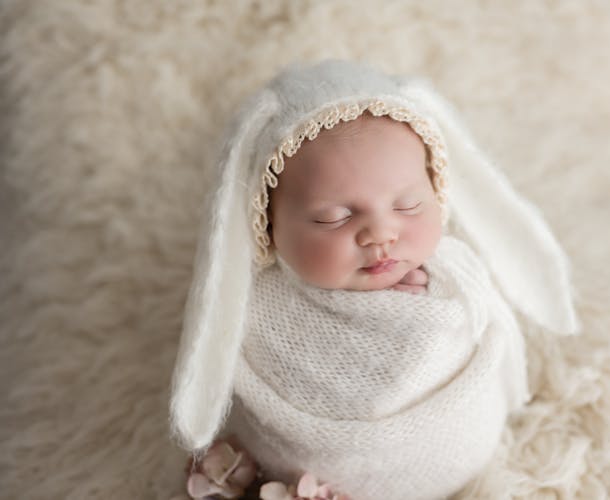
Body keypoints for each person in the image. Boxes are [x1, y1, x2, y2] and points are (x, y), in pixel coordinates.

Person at [170, 60, 579, 500]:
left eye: (407, 206)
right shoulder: (254, 314)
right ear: (267, 224)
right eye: (335, 217)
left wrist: (420, 313)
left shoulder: (457, 281)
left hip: (456, 457)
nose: (381, 233)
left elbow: (480, 340)